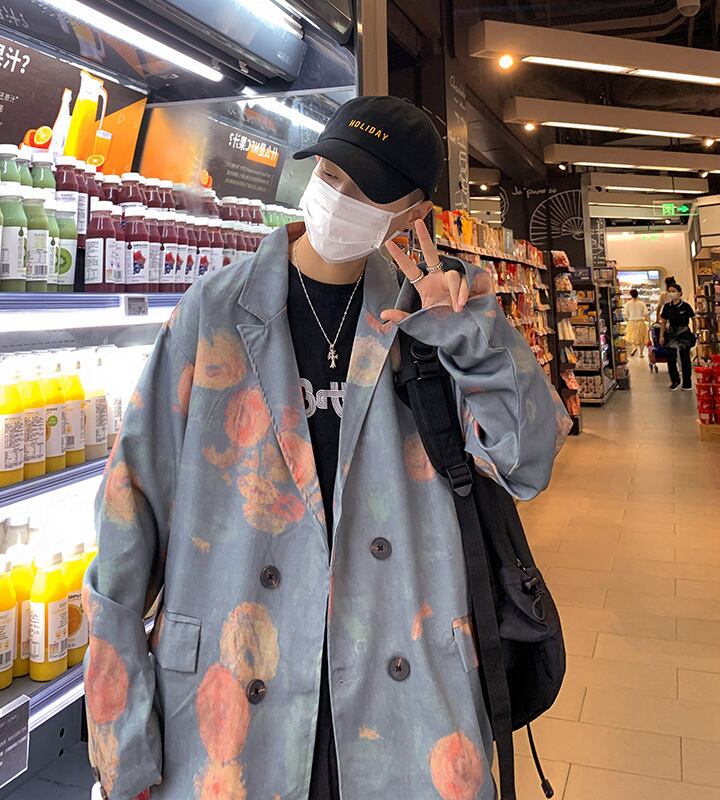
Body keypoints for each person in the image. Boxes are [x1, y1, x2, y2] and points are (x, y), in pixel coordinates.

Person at [83, 95, 572, 800]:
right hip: (231, 693)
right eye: (331, 174)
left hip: (404, 697)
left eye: (366, 190)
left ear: (410, 215)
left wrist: (472, 336)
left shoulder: (430, 323)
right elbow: (129, 510)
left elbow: (527, 460)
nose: (338, 198)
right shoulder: (215, 313)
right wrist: (120, 735)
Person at [660, 282, 695, 390]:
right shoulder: (666, 307)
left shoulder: (686, 306)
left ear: (680, 293)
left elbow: (694, 319)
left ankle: (687, 383)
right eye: (669, 291)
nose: (671, 293)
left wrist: (694, 333)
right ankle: (675, 381)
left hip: (684, 333)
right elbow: (663, 322)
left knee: (685, 359)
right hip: (671, 334)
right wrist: (661, 335)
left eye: (673, 291)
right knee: (671, 359)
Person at [624, 288, 649, 357]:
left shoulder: (628, 303)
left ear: (631, 295)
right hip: (640, 322)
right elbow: (645, 313)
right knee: (642, 338)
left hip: (632, 322)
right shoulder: (641, 303)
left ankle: (634, 347)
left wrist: (628, 318)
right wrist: (647, 320)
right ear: (637, 294)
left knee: (631, 337)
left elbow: (625, 314)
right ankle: (641, 354)